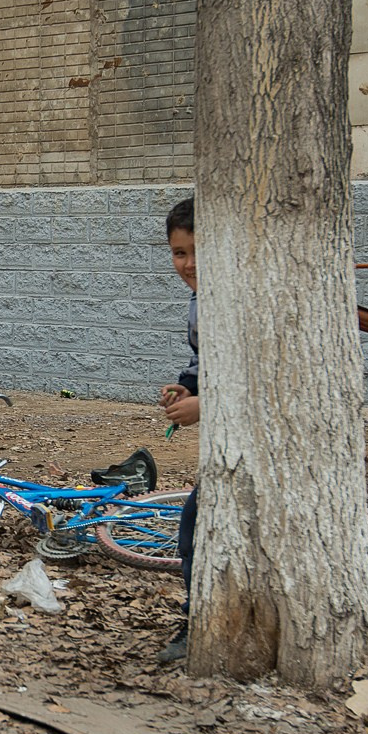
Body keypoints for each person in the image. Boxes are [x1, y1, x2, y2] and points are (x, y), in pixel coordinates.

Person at [157, 195, 200, 665]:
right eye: (179, 253)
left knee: (193, 525)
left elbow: (263, 372)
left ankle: (198, 623)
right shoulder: (197, 300)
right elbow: (205, 359)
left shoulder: (241, 297)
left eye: (196, 252)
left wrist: (205, 405)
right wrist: (186, 387)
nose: (188, 264)